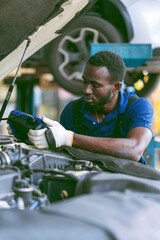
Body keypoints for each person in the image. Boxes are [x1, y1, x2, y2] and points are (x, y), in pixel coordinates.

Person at [28, 51, 154, 164]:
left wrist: (69, 138)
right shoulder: (72, 111)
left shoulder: (138, 107)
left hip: (129, 185)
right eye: (85, 82)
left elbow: (134, 150)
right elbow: (61, 156)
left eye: (95, 85)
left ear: (116, 87)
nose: (86, 90)